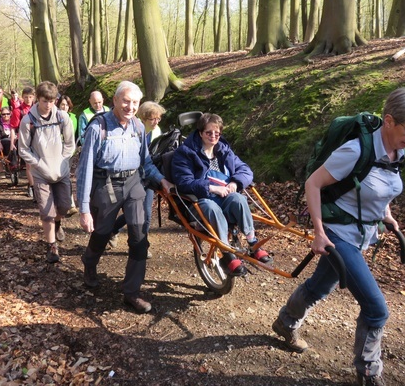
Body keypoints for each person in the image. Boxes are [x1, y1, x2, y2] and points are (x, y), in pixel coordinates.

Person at [272, 88, 405, 386]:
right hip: (338, 234)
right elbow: (313, 184)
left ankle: (285, 322)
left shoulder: (399, 149)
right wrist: (319, 233)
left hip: (363, 233)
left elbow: (382, 183)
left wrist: (384, 212)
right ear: (389, 121)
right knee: (376, 309)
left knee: (320, 285)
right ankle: (369, 371)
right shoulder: (355, 150)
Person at [76, 81, 174, 313]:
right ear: (115, 101)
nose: (130, 107)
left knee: (139, 237)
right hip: (105, 184)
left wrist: (162, 180)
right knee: (101, 233)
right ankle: (89, 263)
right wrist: (84, 209)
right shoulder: (97, 128)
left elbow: (146, 162)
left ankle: (132, 293)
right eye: (126, 101)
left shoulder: (139, 127)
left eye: (135, 102)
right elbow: (85, 168)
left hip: (133, 184)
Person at [170, 113, 272, 276]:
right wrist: (211, 188)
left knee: (238, 198)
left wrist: (235, 182)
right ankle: (227, 252)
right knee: (211, 207)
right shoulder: (186, 153)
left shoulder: (223, 150)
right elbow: (183, 181)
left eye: (217, 133)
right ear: (200, 133)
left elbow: (245, 170)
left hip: (224, 197)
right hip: (200, 201)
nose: (213, 136)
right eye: (208, 133)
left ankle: (253, 243)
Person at [18, 82, 75, 263]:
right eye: (45, 101)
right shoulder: (28, 121)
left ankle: (58, 224)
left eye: (52, 101)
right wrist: (38, 164)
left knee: (64, 207)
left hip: (61, 170)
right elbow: (23, 149)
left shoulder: (62, 117)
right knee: (46, 210)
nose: (48, 105)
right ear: (38, 99)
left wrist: (63, 161)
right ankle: (52, 246)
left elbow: (70, 144)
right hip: (41, 173)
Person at [108, 101, 167, 256]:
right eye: (153, 119)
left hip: (148, 177)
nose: (156, 122)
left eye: (158, 118)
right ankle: (114, 229)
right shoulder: (135, 129)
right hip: (133, 177)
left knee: (146, 213)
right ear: (144, 118)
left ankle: (141, 244)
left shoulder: (157, 131)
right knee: (133, 212)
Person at [11, 86, 36, 199]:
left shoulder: (38, 108)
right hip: (25, 141)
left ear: (34, 97)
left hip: (38, 140)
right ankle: (32, 187)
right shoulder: (18, 111)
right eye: (26, 97)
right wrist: (12, 142)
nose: (28, 99)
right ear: (22, 97)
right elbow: (13, 127)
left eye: (30, 97)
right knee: (29, 165)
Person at [57, 94, 80, 217]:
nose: (64, 107)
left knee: (65, 176)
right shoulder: (54, 117)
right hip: (55, 152)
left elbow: (71, 137)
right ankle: (62, 202)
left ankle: (70, 204)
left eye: (66, 105)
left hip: (68, 152)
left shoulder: (73, 118)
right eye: (62, 105)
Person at [0, 106, 16, 179]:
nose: (6, 115)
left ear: (10, 114)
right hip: (0, 141)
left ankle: (12, 166)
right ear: (1, 115)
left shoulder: (14, 122)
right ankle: (1, 171)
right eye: (3, 114)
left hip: (13, 141)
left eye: (7, 114)